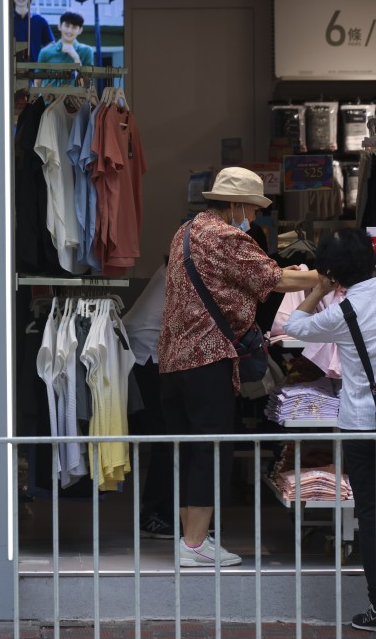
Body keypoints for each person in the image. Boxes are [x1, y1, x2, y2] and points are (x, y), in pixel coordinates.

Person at [158, 167, 318, 567]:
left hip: (174, 360)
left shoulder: (186, 231)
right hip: (207, 359)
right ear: (234, 204)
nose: (253, 214)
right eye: (251, 206)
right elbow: (275, 279)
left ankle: (190, 541)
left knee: (188, 450)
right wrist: (330, 276)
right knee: (211, 450)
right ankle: (195, 546)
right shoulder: (226, 235)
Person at [284, 227, 376, 631]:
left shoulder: (343, 311)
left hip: (362, 425)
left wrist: (320, 290)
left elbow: (297, 327)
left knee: (371, 517)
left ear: (333, 272)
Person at [121, 260, 174, 539]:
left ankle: (160, 510)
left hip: (142, 356)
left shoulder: (165, 272)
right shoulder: (176, 276)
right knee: (167, 438)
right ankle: (154, 514)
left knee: (165, 437)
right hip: (146, 359)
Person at [12, 0, 55, 64]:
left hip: (34, 74)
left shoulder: (40, 21)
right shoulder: (6, 21)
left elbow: (51, 46)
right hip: (10, 74)